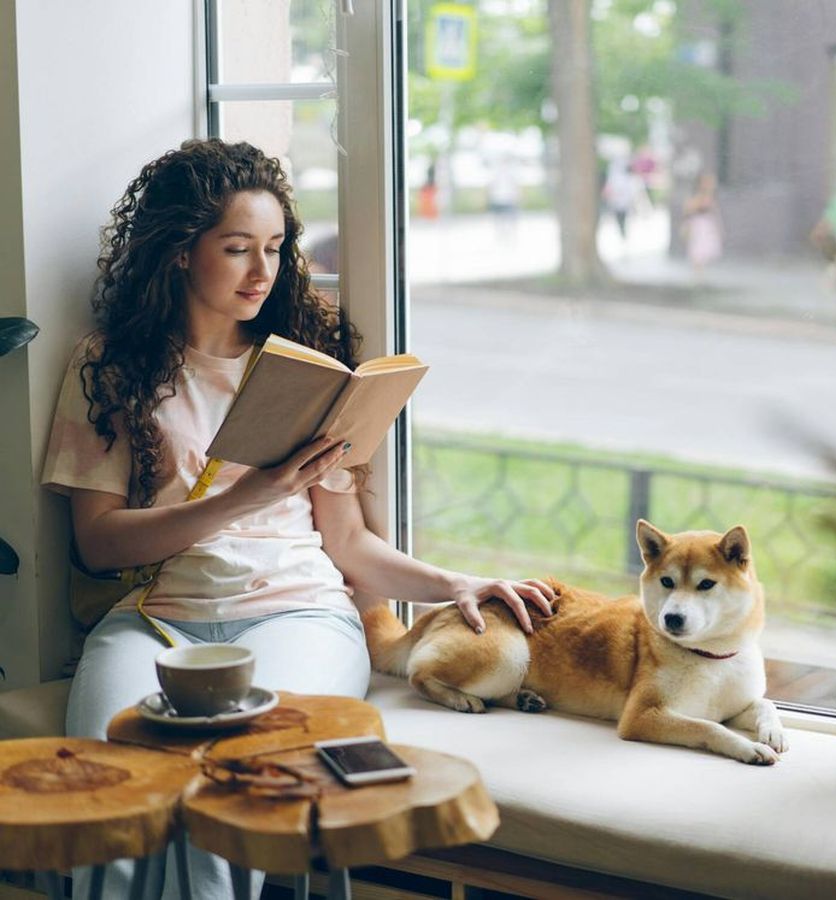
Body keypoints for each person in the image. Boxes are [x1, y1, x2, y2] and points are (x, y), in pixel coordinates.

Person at [41, 138, 555, 900]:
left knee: (245, 785)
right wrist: (243, 497)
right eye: (238, 248)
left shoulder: (303, 365)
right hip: (157, 620)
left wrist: (458, 581)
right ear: (182, 252)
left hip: (298, 615)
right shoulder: (111, 366)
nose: (262, 272)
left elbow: (347, 545)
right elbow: (97, 542)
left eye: (276, 249)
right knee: (116, 791)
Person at [681, 172, 722, 276]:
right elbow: (688, 211)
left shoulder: (710, 196)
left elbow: (715, 213)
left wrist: (718, 228)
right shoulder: (696, 197)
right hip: (698, 227)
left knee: (706, 252)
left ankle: (701, 275)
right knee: (698, 252)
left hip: (707, 227)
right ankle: (698, 275)